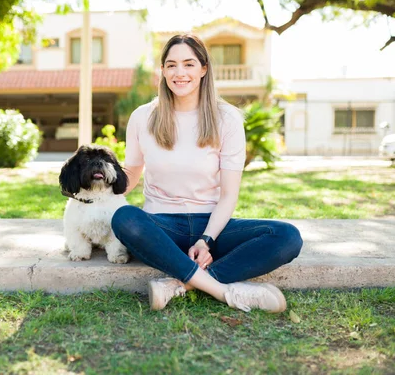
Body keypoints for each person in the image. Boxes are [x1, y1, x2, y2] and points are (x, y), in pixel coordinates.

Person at [111, 34, 303, 313]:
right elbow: (132, 172)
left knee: (287, 236)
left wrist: (207, 239)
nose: (179, 73)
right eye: (171, 65)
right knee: (124, 218)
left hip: (214, 226)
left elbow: (228, 195)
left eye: (189, 64)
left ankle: (179, 285)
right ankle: (223, 292)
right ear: (163, 71)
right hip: (163, 227)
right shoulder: (143, 116)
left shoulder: (227, 118)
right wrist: (96, 190)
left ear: (203, 69)